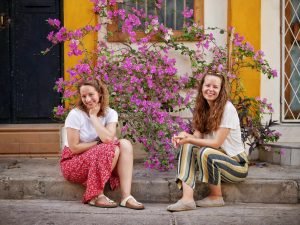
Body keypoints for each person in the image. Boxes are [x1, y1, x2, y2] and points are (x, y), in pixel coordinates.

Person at [167, 72, 248, 212]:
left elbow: (216, 143)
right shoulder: (203, 108)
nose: (210, 89)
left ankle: (216, 197)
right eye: (207, 85)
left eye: (215, 87)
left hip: (236, 165)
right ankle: (187, 199)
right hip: (215, 158)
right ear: (202, 87)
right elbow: (196, 137)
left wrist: (190, 138)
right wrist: (183, 136)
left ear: (221, 90)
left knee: (205, 152)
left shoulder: (227, 109)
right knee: (188, 145)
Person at [60, 78, 144, 210]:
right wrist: (97, 141)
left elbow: (108, 139)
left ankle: (126, 197)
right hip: (74, 163)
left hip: (100, 159)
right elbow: (74, 148)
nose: (87, 100)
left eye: (91, 95)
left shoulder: (110, 113)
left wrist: (94, 118)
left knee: (125, 144)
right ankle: (96, 195)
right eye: (84, 96)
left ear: (99, 93)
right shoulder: (75, 114)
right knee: (110, 149)